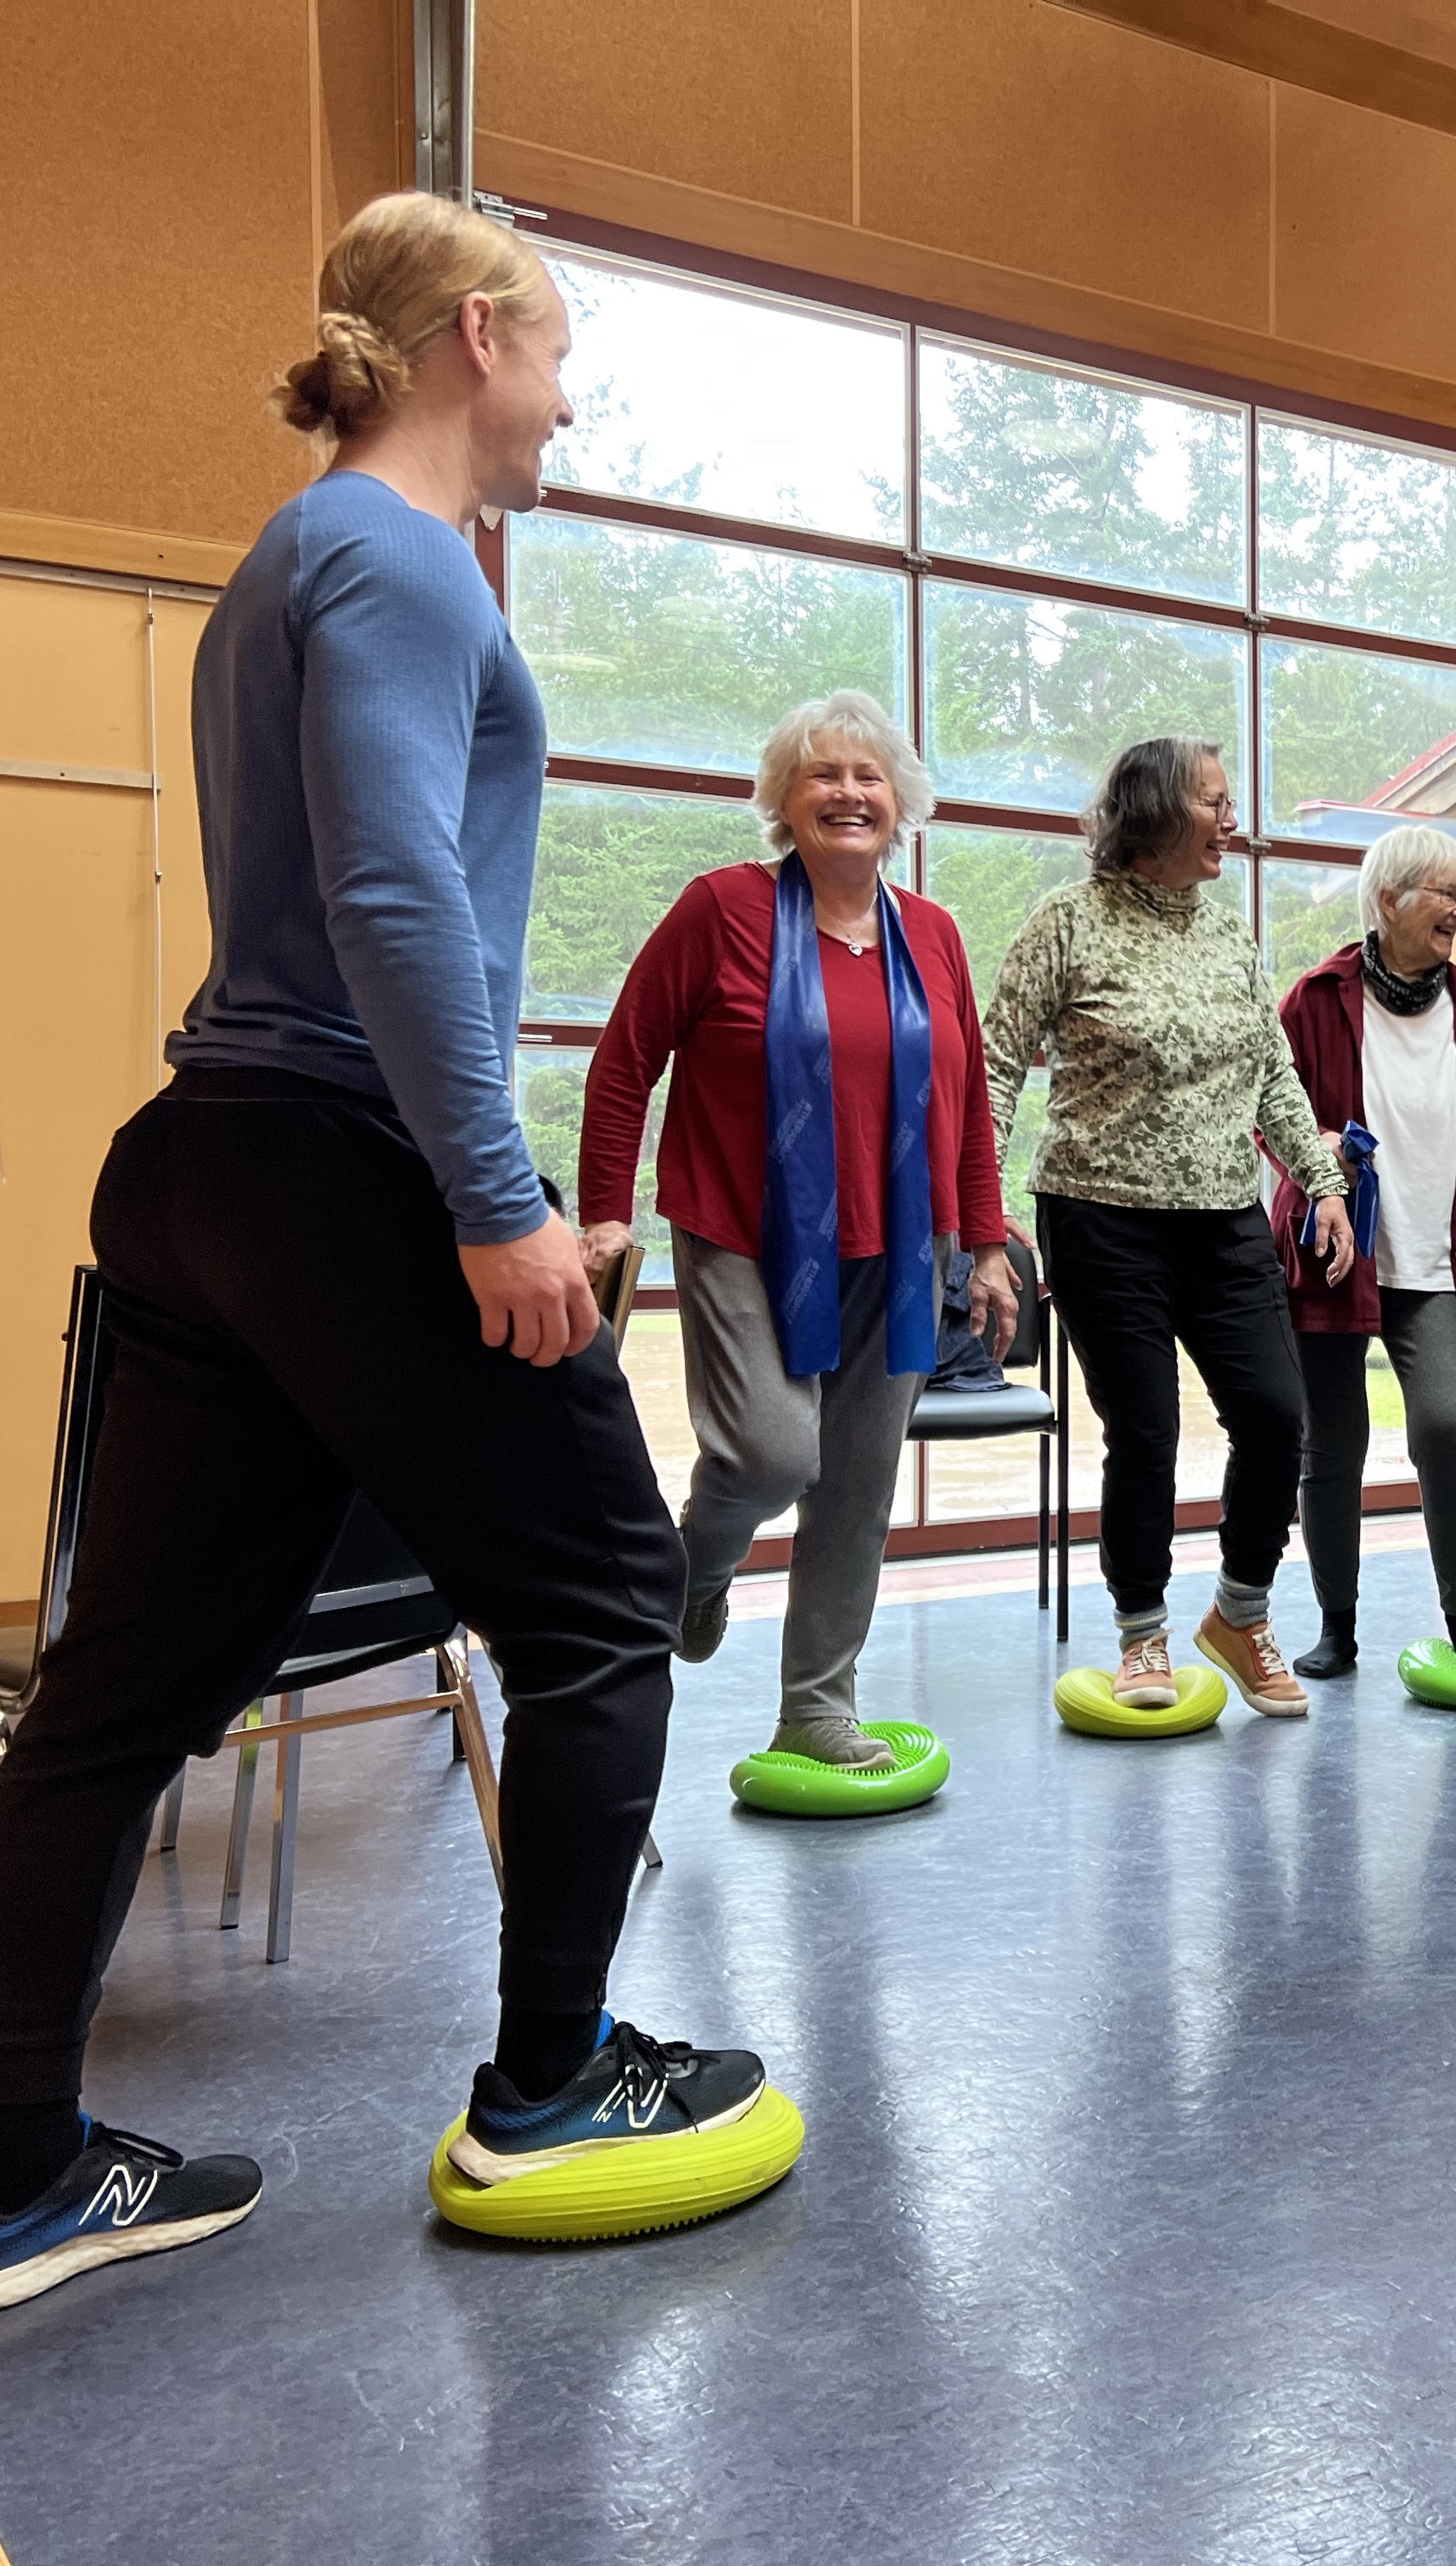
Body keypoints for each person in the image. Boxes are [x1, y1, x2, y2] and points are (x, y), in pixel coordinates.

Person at [0, 193, 776, 2311]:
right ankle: (554, 2078)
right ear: (473, 338)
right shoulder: (400, 551)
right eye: (557, 356)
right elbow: (396, 896)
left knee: (123, 1687)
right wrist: (493, 1192)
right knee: (611, 1596)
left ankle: (16, 2166)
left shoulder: (292, 557)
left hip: (204, 1167)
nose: (568, 401)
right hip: (337, 1157)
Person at [578, 692, 1014, 1772]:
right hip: (742, 1230)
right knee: (773, 1455)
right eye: (822, 774)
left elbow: (965, 1105)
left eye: (868, 777)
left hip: (905, 1247)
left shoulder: (937, 936)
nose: (847, 793)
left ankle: (817, 1711)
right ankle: (698, 1568)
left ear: (900, 802)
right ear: (784, 798)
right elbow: (626, 1061)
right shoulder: (718, 910)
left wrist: (990, 1243)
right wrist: (602, 1214)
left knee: (858, 1488)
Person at [983, 738, 1353, 1713]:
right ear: (1152, 813)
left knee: (1277, 1416)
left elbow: (1271, 1072)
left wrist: (1321, 1182)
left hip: (1224, 1218)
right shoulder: (1068, 922)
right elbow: (993, 1068)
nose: (1233, 818)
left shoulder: (1229, 935)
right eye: (1214, 802)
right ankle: (1141, 1635)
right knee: (1145, 1432)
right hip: (1101, 1217)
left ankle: (1239, 1612)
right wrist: (978, 1212)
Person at [1271, 826, 1456, 1683]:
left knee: (1444, 1430)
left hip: (1435, 1255)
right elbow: (1270, 1112)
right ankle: (1336, 1627)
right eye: (1445, 893)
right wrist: (1314, 1145)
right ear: (1389, 899)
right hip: (1336, 1253)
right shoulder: (1315, 999)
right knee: (1333, 1444)